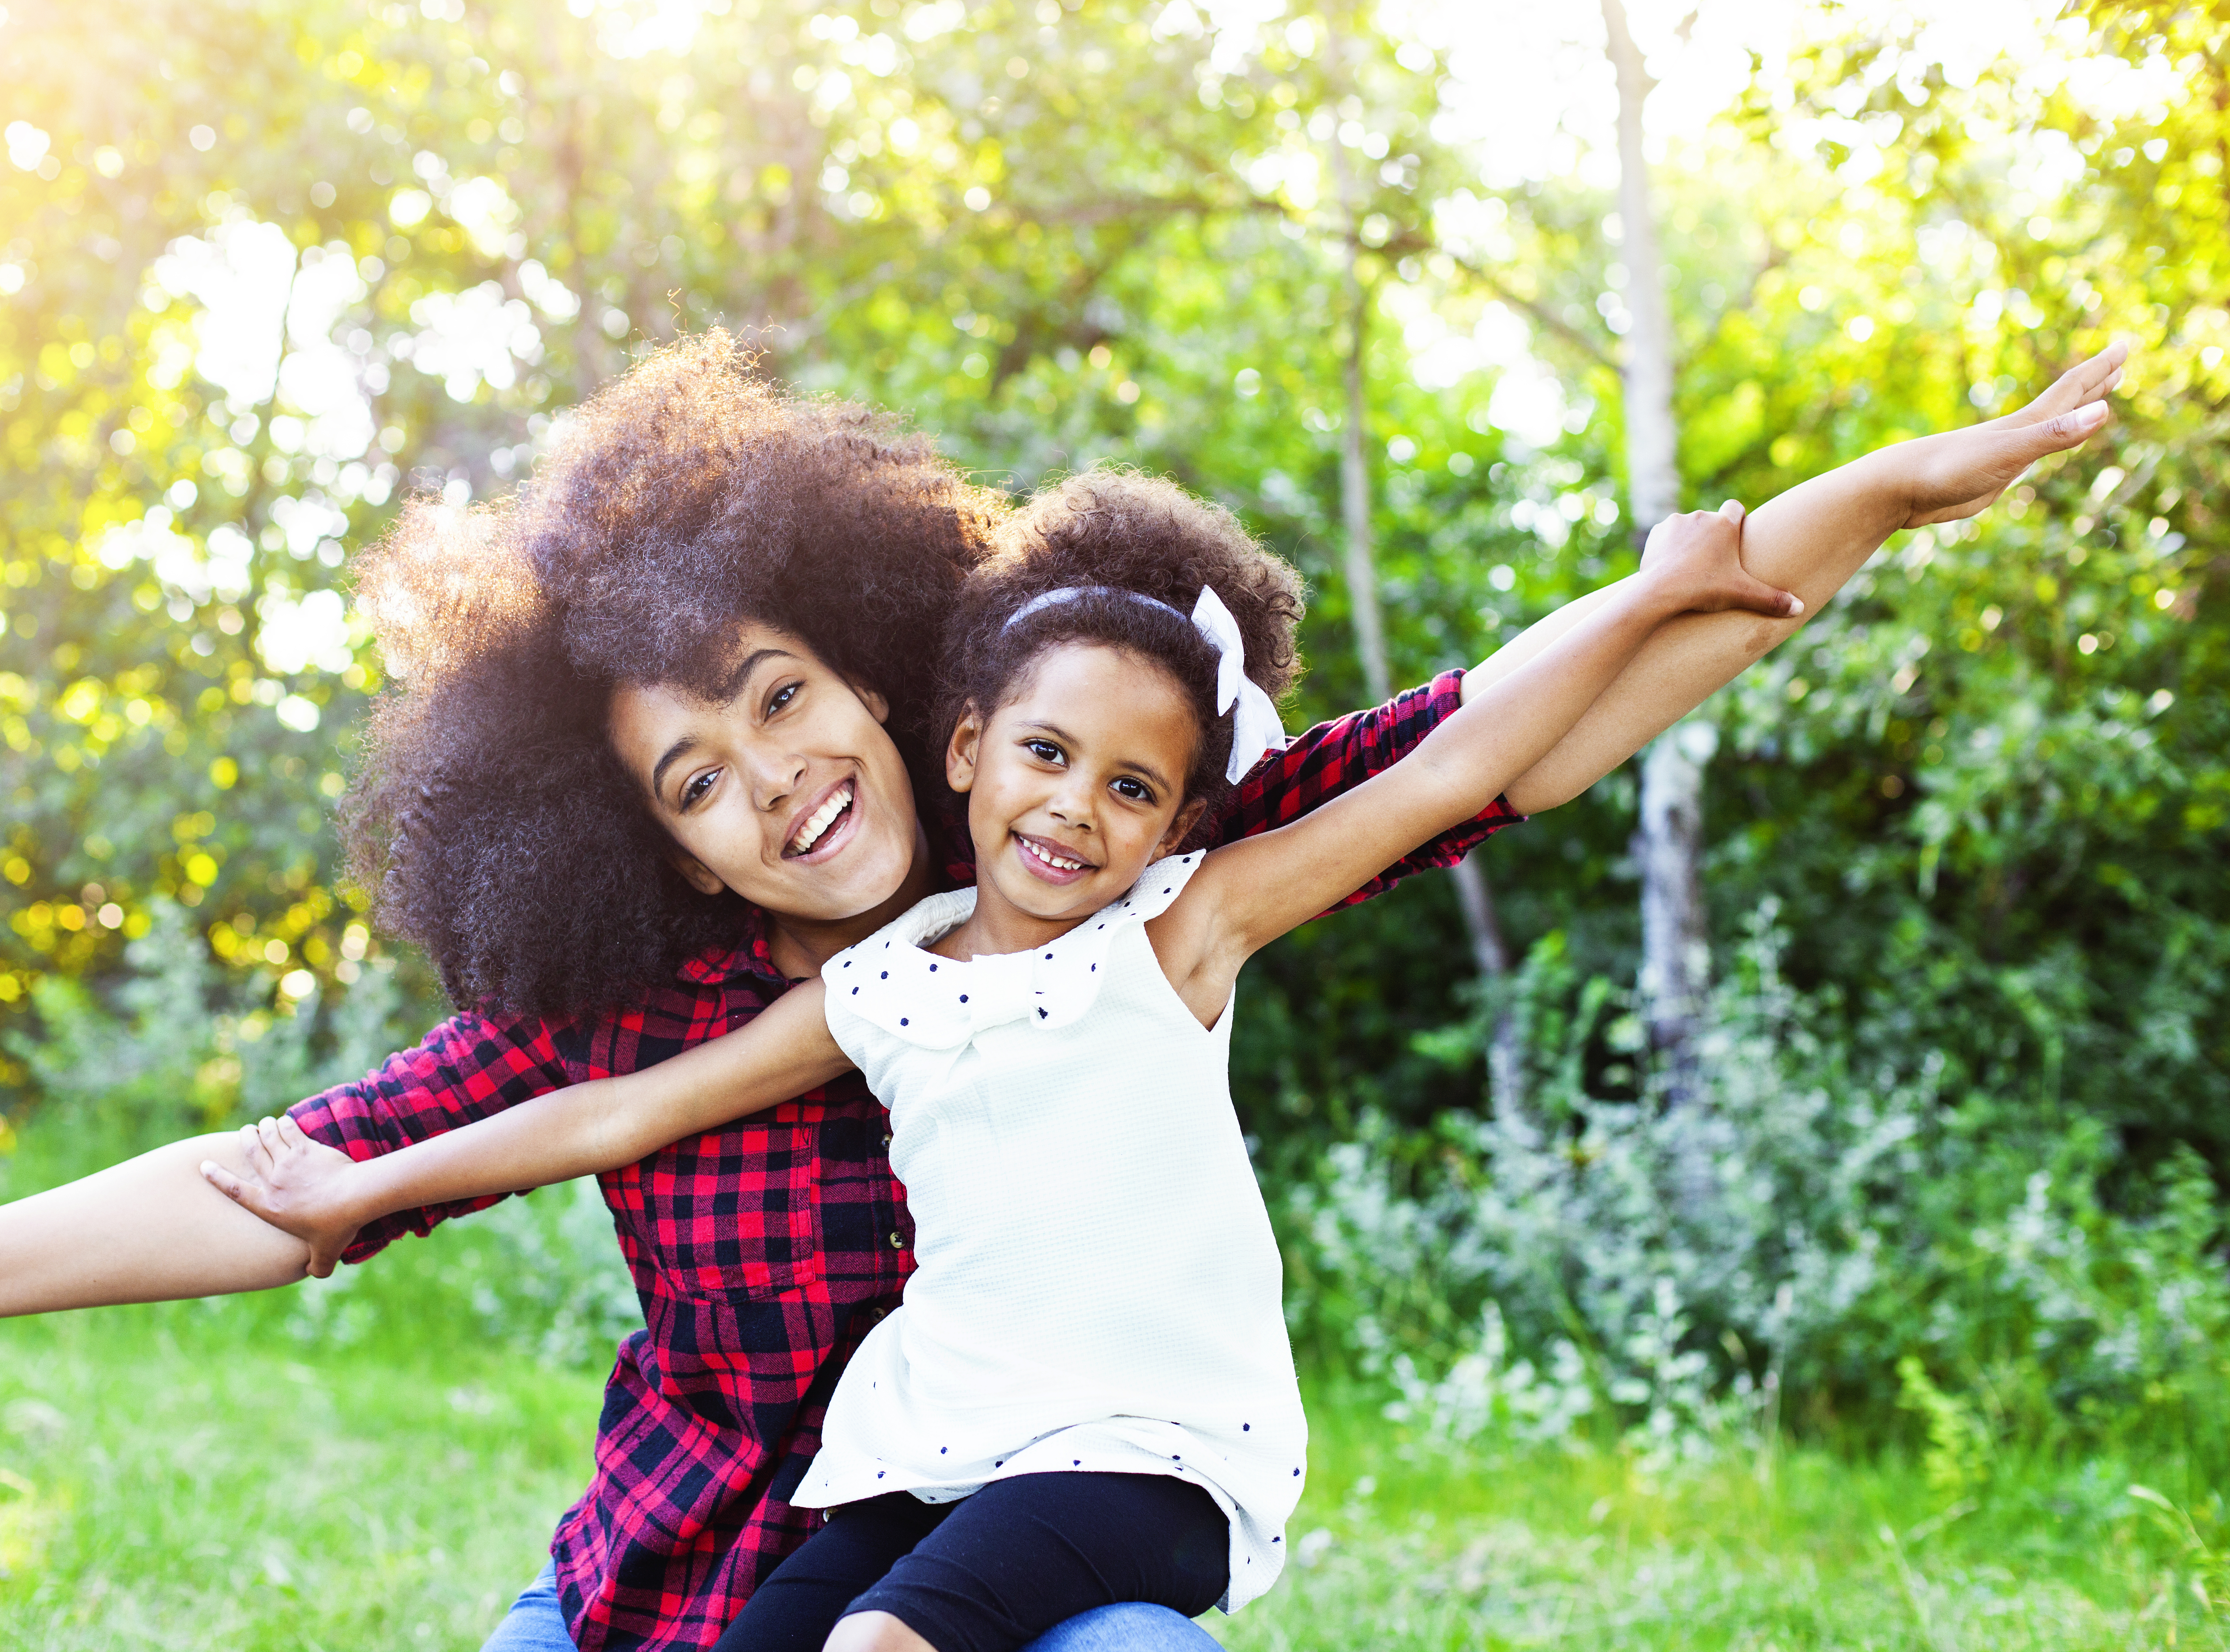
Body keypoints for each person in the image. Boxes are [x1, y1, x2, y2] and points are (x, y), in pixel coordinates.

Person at [0, 334, 2125, 1652]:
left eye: (783, 699)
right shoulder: (661, 1009)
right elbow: (287, 1183)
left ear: (911, 693)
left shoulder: (1117, 875)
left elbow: (1517, 724)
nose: (770, 783)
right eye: (694, 778)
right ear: (646, 840)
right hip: (683, 1592)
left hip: (1036, 1575)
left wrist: (1873, 501)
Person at [186, 471, 1825, 1652]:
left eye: (1131, 789)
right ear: (967, 746)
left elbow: (1456, 763)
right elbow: (618, 1112)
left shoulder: (1178, 928)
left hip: (1141, 1456)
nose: (1075, 810)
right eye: (1044, 755)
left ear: (1177, 823)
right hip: (926, 1457)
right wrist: (363, 1190)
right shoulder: (888, 984)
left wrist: (1668, 586)